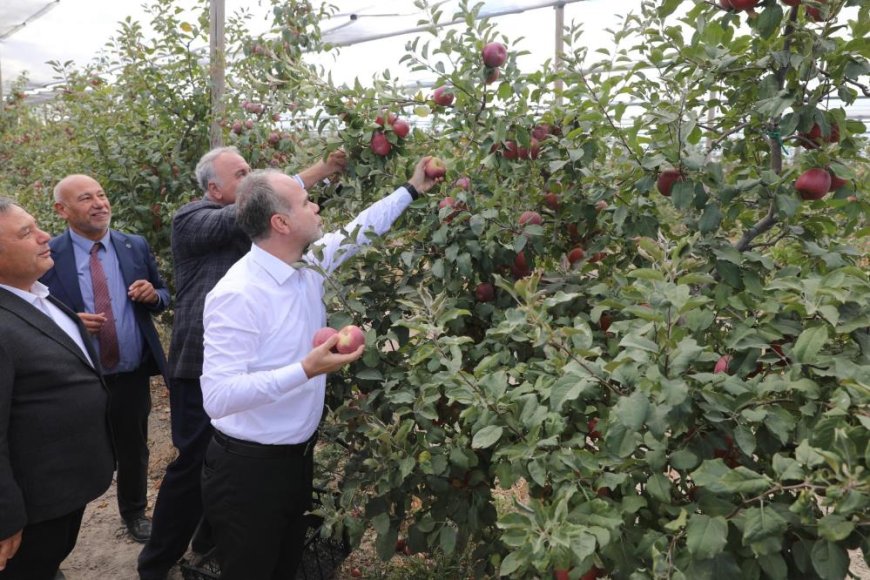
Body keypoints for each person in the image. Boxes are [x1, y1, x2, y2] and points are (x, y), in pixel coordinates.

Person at [199, 156, 439, 579]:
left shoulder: (305, 266)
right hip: (248, 472)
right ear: (281, 223)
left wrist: (412, 189)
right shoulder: (238, 294)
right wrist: (305, 370)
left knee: (286, 566)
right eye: (307, 202)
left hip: (295, 459)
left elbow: (359, 230)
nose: (317, 208)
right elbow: (218, 399)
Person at [137, 146, 348, 580]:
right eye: (242, 174)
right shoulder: (194, 221)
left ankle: (208, 540)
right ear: (215, 188)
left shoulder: (294, 261)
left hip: (280, 438)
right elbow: (257, 205)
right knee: (194, 466)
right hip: (206, 380)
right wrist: (317, 172)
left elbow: (287, 215)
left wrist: (409, 190)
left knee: (271, 551)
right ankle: (158, 562)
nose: (249, 178)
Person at [39, 174, 170, 544]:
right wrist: (69, 323)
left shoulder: (134, 246)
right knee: (74, 450)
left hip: (128, 372)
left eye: (101, 195)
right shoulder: (48, 254)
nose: (99, 203)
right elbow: (34, 310)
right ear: (61, 210)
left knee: (133, 446)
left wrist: (153, 295)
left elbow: (163, 294)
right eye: (86, 198)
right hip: (78, 376)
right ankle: (62, 524)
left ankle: (133, 511)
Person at [0, 197, 115, 580]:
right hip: (32, 507)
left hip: (62, 490)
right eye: (26, 232)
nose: (44, 235)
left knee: (47, 562)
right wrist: (6, 518)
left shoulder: (36, 296)